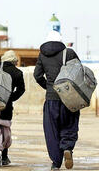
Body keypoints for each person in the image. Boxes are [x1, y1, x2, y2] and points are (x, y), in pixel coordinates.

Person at [34, 31, 79, 170]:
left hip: (51, 98)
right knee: (69, 124)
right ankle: (67, 147)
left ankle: (55, 162)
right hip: (69, 97)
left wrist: (48, 87)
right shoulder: (69, 53)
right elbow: (79, 71)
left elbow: (37, 75)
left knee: (52, 130)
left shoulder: (42, 54)